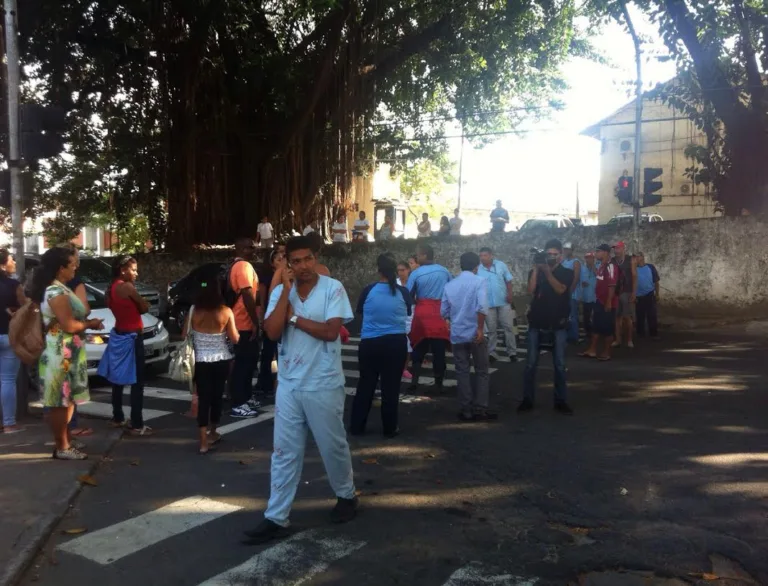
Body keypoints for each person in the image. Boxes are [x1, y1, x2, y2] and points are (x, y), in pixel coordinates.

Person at [246, 236, 357, 544]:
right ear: (288, 264)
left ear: (315, 258)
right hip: (290, 385)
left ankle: (346, 495)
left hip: (323, 383)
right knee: (283, 453)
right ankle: (276, 516)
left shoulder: (332, 289)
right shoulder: (282, 292)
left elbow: (330, 331)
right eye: (296, 261)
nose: (304, 266)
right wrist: (283, 290)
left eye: (308, 259)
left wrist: (294, 317)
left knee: (332, 446)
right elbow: (271, 331)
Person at [31, 248, 103, 459]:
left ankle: (66, 443)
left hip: (66, 351)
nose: (75, 268)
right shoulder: (55, 291)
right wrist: (90, 323)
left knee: (67, 400)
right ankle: (62, 447)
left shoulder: (58, 288)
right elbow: (69, 325)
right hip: (60, 353)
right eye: (72, 264)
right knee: (60, 402)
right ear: (61, 268)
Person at [350, 254, 411, 438]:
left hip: (370, 343)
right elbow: (408, 311)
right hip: (396, 344)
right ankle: (390, 428)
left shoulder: (368, 290)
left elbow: (359, 312)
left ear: (378, 270)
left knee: (366, 385)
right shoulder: (403, 292)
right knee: (391, 388)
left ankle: (357, 426)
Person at [519, 239, 573, 415]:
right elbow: (531, 290)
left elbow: (560, 289)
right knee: (530, 364)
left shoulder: (566, 272)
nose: (550, 257)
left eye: (554, 254)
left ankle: (561, 400)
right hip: (537, 322)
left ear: (560, 255)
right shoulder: (537, 271)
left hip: (558, 323)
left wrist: (548, 272)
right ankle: (527, 399)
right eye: (548, 254)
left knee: (559, 364)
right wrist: (536, 269)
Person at [185, 280, 239, 454]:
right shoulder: (226, 312)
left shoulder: (194, 311)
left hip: (200, 361)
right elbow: (235, 338)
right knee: (216, 398)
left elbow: (183, 334)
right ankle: (213, 432)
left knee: (203, 400)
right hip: (222, 360)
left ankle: (202, 443)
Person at [442, 252, 496, 422]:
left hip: (458, 333)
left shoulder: (450, 285)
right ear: (476, 266)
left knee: (462, 371)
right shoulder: (480, 281)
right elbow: (481, 307)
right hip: (476, 333)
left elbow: (443, 311)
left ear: (460, 265)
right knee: (481, 371)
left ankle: (466, 409)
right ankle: (481, 408)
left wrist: (451, 319)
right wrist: (480, 329)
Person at [105, 255, 153, 436]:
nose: (136, 273)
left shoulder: (111, 289)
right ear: (123, 270)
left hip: (119, 333)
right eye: (133, 270)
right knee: (137, 381)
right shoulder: (127, 287)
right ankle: (137, 423)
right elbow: (144, 308)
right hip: (133, 337)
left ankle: (117, 417)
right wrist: (141, 303)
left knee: (117, 378)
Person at [406, 244, 451, 392]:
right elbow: (451, 290)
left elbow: (408, 295)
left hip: (422, 313)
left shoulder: (416, 273)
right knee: (439, 351)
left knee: (419, 347)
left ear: (425, 255)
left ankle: (414, 381)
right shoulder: (444, 271)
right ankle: (439, 383)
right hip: (439, 313)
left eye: (418, 255)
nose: (417, 257)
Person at [60, 244, 92, 438]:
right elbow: (84, 309)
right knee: (71, 386)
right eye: (75, 260)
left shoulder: (47, 283)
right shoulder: (74, 283)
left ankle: (62, 432)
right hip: (71, 338)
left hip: (53, 341)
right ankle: (69, 430)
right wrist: (90, 322)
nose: (77, 264)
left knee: (58, 387)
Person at [229, 238, 261, 418]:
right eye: (249, 247)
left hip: (241, 322)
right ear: (240, 248)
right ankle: (238, 403)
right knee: (242, 364)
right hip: (242, 323)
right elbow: (248, 294)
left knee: (248, 363)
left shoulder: (239, 266)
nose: (253, 249)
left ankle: (246, 397)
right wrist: (255, 322)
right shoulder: (243, 267)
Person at [477, 247, 517, 363]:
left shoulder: (501, 265)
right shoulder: (478, 269)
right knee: (491, 329)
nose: (483, 258)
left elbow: (508, 280)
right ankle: (492, 352)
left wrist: (510, 294)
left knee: (508, 327)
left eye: (485, 255)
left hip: (504, 302)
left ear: (491, 255)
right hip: (488, 304)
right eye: (481, 256)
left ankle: (512, 352)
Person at [0, 250, 25, 434]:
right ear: (2, 264)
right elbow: (27, 308)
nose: (14, 261)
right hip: (9, 335)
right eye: (10, 259)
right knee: (8, 380)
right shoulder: (14, 285)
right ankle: (9, 423)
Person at [580, 244, 618, 361]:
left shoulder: (611, 266)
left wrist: (608, 302)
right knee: (596, 326)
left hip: (607, 302)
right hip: (599, 300)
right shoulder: (601, 266)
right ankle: (592, 350)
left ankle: (606, 352)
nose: (596, 254)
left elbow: (612, 285)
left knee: (607, 328)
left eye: (598, 251)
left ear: (605, 252)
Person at [256, 248, 283, 394]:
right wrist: (262, 317)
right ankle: (264, 382)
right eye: (278, 259)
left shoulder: (288, 275)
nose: (282, 262)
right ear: (272, 263)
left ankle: (277, 382)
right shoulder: (267, 277)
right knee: (268, 352)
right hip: (270, 316)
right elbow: (262, 300)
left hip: (283, 318)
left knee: (281, 353)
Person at [612, 241, 637, 348]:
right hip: (616, 293)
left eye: (618, 248)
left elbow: (634, 276)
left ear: (623, 248)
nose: (616, 250)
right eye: (615, 248)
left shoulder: (630, 259)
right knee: (617, 317)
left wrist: (634, 292)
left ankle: (629, 340)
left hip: (627, 291)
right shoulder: (612, 261)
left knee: (627, 317)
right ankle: (618, 339)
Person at [635, 252, 660, 339]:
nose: (636, 259)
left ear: (642, 257)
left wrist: (657, 294)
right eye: (635, 257)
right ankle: (640, 334)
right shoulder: (633, 268)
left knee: (652, 315)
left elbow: (656, 281)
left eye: (638, 257)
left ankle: (653, 334)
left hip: (649, 294)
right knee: (639, 315)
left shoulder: (650, 267)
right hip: (638, 296)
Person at [560, 242, 582, 343]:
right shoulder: (563, 261)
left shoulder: (576, 262)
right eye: (564, 249)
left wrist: (570, 290)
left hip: (572, 293)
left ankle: (574, 337)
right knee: (565, 314)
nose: (565, 251)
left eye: (567, 249)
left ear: (571, 250)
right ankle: (567, 335)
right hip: (564, 293)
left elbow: (576, 278)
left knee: (573, 315)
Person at [397, 261, 414, 380]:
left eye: (403, 270)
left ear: (408, 270)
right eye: (398, 270)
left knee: (409, 345)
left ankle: (404, 368)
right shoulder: (395, 283)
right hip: (398, 314)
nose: (401, 273)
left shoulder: (413, 282)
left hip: (412, 313)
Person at [579, 252, 598, 338]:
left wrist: (594, 268)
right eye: (587, 258)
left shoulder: (598, 267)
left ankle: (596, 331)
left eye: (590, 258)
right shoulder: (582, 268)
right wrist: (581, 284)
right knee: (586, 315)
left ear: (593, 259)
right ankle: (588, 332)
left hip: (596, 296)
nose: (588, 260)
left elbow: (600, 277)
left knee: (596, 315)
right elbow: (578, 280)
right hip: (585, 296)